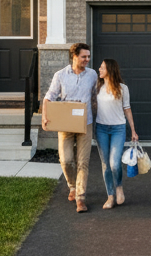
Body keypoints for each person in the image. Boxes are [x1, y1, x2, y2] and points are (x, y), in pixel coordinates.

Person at [42, 42, 98, 213]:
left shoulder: (92, 75)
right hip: (66, 124)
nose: (87, 59)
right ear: (74, 57)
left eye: (88, 56)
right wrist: (45, 117)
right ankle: (72, 185)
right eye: (84, 57)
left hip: (85, 123)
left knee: (83, 162)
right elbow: (48, 97)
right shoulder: (60, 75)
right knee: (66, 160)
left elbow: (94, 97)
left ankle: (80, 197)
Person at [94, 58, 139, 210]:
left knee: (114, 163)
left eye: (102, 68)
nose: (99, 70)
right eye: (100, 67)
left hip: (118, 129)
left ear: (110, 70)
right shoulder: (97, 87)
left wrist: (133, 130)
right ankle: (110, 196)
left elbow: (127, 109)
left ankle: (119, 187)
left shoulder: (122, 88)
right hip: (101, 128)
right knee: (106, 164)